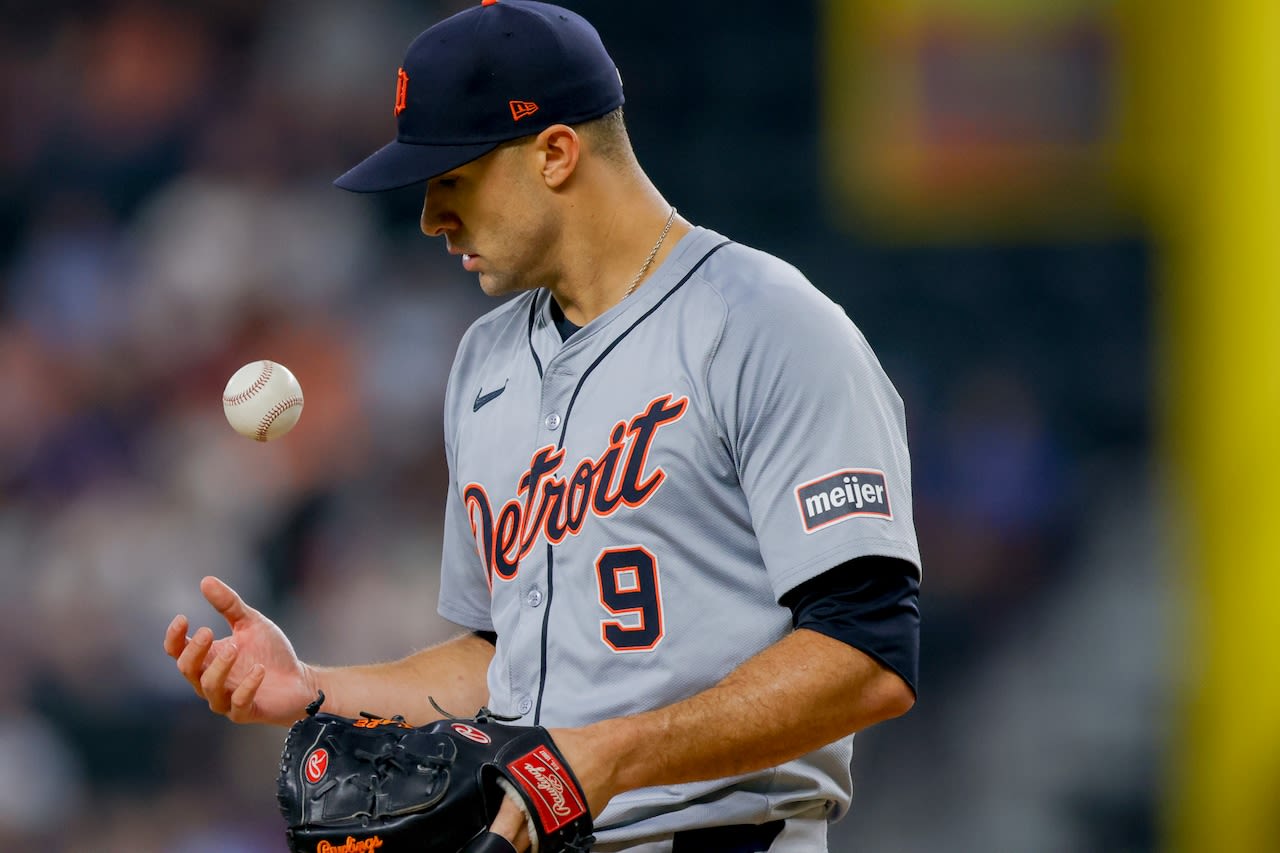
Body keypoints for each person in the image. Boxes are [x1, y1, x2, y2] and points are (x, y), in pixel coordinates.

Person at [164, 2, 922, 850]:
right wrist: (310, 687)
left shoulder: (767, 325)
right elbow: (503, 663)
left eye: (452, 180)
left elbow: (868, 656)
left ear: (554, 153)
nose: (430, 219)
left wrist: (606, 756)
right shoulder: (484, 362)